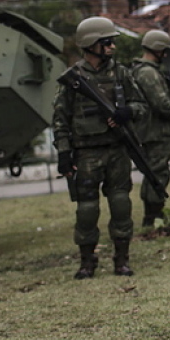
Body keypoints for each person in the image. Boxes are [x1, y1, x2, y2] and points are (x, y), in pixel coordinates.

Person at [52, 17, 148, 279]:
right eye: (107, 42)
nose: (112, 48)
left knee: (120, 204)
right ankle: (87, 262)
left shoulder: (121, 73)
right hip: (86, 153)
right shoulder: (73, 78)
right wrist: (63, 152)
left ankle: (122, 260)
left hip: (117, 150)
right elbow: (60, 119)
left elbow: (142, 105)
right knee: (87, 209)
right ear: (91, 44)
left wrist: (127, 112)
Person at [131, 29, 170, 227]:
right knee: (158, 174)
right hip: (155, 132)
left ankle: (152, 216)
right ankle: (153, 217)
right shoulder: (148, 72)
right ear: (156, 49)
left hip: (152, 131)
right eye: (163, 51)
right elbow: (162, 104)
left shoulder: (144, 70)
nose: (165, 55)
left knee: (154, 173)